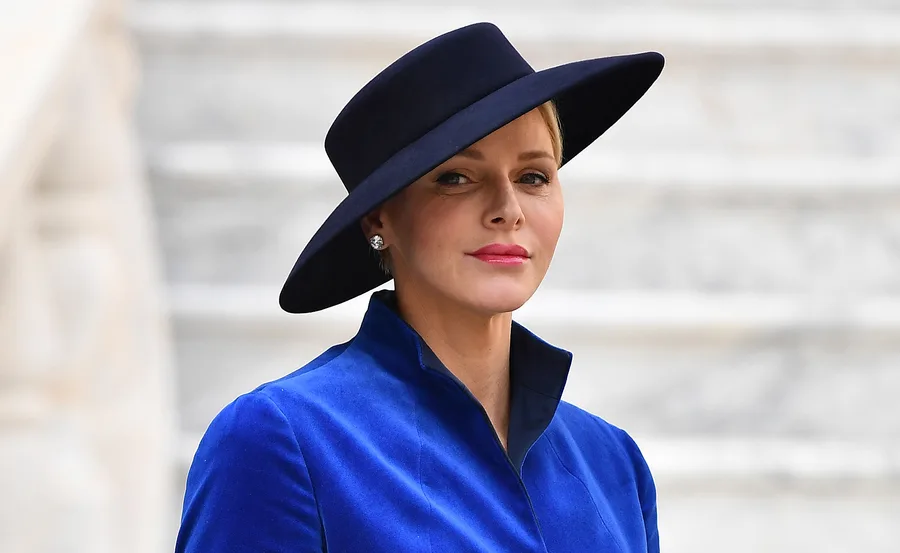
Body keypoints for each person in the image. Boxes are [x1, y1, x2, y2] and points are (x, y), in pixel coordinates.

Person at [175, 22, 664, 553]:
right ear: (379, 219)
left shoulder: (612, 462)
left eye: (533, 177)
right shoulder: (281, 439)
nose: (508, 210)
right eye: (456, 178)